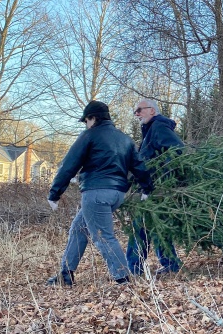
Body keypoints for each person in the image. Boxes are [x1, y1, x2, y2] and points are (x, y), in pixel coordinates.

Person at [46, 100, 153, 286]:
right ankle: (66, 274)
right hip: (117, 194)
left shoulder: (89, 135)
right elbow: (139, 166)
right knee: (78, 228)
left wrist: (54, 193)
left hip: (96, 193)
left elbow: (69, 165)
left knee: (103, 236)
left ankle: (123, 278)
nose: (85, 124)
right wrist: (147, 187)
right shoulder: (125, 139)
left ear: (93, 118)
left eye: (86, 121)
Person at [126, 99, 184, 276]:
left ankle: (135, 268)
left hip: (155, 188)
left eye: (139, 110)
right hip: (153, 188)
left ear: (152, 110)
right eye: (135, 111)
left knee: (140, 226)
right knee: (158, 227)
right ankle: (170, 265)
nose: (136, 114)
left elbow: (177, 150)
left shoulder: (158, 127)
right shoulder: (151, 130)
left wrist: (162, 175)